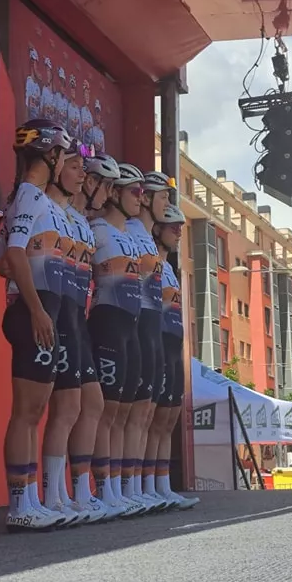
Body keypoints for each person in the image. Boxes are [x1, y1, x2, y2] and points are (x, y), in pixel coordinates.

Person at [0, 118, 72, 532]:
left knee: (36, 409)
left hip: (41, 307)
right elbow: (13, 253)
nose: (64, 161)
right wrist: (36, 308)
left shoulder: (31, 197)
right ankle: (20, 503)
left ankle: (30, 499)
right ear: (50, 154)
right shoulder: (29, 194)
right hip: (34, 310)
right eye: (62, 153)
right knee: (27, 411)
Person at [39, 138, 97, 525]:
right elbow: (6, 259)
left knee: (79, 406)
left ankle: (71, 493)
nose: (84, 177)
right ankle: (53, 494)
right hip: (55, 311)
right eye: (75, 166)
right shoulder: (41, 204)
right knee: (57, 408)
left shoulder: (77, 220)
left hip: (76, 314)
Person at [64, 152, 122, 520]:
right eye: (107, 185)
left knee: (93, 404)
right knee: (67, 407)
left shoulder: (87, 223)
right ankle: (68, 492)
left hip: (77, 318)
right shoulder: (71, 216)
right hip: (60, 315)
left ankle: (83, 490)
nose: (109, 193)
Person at [87, 163, 145, 517]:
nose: (140, 198)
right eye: (134, 192)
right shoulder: (98, 229)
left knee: (123, 411)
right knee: (106, 411)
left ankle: (121, 488)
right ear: (116, 193)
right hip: (107, 320)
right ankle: (101, 487)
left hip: (132, 325)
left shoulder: (130, 235)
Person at [123, 169, 173, 512]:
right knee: (129, 413)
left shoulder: (144, 236)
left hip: (153, 326)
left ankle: (140, 487)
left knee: (146, 414)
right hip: (134, 323)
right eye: (164, 198)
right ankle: (124, 488)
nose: (167, 205)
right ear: (146, 198)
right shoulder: (128, 231)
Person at [144, 202, 199, 510]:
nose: (179, 232)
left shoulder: (170, 269)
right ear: (157, 229)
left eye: (181, 227)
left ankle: (162, 486)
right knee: (151, 418)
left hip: (173, 345)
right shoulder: (150, 262)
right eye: (172, 227)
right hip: (155, 340)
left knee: (168, 419)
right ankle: (145, 485)